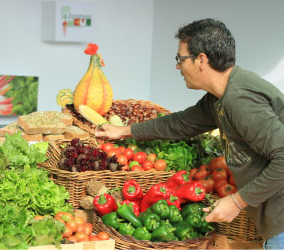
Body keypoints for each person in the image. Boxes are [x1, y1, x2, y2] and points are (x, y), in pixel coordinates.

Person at [95, 18, 284, 248]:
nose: (178, 67)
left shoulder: (240, 101)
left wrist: (236, 201)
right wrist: (125, 131)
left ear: (201, 60)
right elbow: (182, 123)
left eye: (180, 59)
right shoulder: (221, 96)